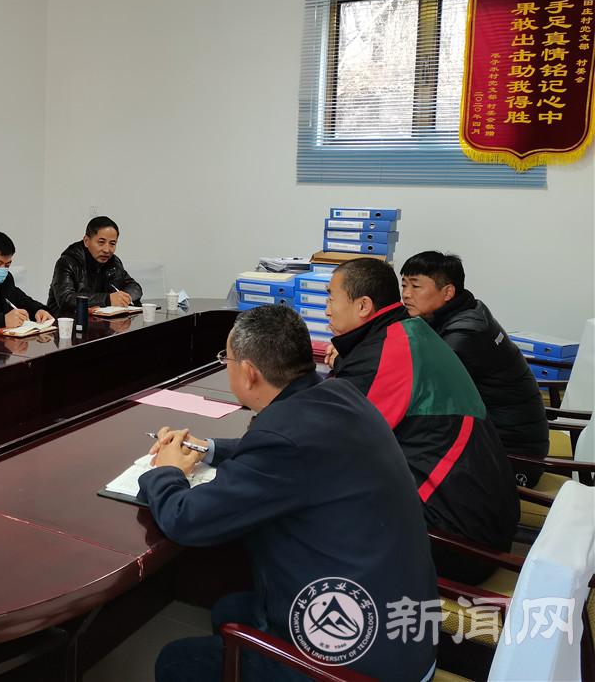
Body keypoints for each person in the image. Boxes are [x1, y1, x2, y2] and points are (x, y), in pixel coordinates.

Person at [140, 306, 436, 682]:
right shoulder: (338, 393)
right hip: (403, 633)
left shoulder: (283, 440)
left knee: (176, 661)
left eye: (226, 360)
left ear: (249, 372)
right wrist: (208, 448)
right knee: (230, 609)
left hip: (358, 664)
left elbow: (186, 519)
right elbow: (290, 449)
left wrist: (166, 471)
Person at [324, 258, 519, 584]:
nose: (326, 309)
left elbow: (333, 442)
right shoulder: (406, 333)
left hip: (456, 539)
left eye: (331, 297)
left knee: (311, 508)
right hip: (482, 520)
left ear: (363, 306)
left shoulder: (388, 352)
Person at [400, 251, 549, 486]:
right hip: (492, 436)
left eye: (415, 286)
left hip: (511, 455)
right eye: (404, 285)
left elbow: (422, 389)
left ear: (448, 292)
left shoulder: (466, 334)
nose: (406, 294)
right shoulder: (462, 310)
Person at [47, 216, 142, 315]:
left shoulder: (114, 263)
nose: (107, 250)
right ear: (86, 241)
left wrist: (124, 298)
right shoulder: (67, 262)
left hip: (101, 320)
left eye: (112, 243)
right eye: (101, 242)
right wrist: (107, 299)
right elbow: (66, 299)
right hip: (64, 321)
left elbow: (135, 287)